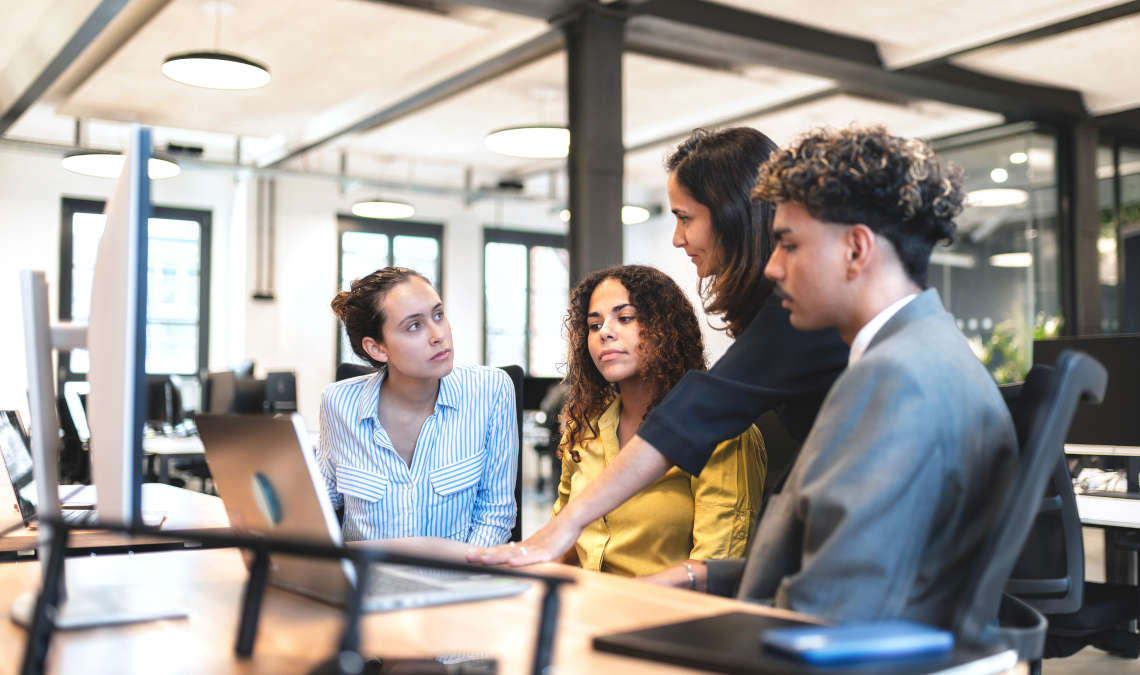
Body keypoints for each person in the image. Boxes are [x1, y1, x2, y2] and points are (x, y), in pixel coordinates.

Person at [469, 127, 848, 572]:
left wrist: (568, 526)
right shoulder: (588, 425)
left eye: (685, 217)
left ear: (731, 215)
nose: (676, 238)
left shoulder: (794, 317)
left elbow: (696, 413)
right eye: (594, 324)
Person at [702, 125, 1017, 626]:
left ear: (855, 249)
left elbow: (827, 607)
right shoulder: (933, 351)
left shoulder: (893, 378)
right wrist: (701, 578)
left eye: (788, 245)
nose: (772, 268)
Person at [555, 264, 765, 584]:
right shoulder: (584, 429)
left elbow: (717, 566)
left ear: (665, 328)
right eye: (594, 325)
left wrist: (622, 599)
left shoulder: (720, 432)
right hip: (587, 607)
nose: (604, 333)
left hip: (671, 618)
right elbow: (561, 541)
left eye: (625, 318)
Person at [320, 266, 516, 560]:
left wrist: (462, 581)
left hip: (456, 585)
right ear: (377, 348)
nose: (438, 335)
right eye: (414, 326)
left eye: (438, 315)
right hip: (365, 587)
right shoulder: (338, 403)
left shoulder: (491, 391)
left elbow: (495, 514)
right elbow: (321, 501)